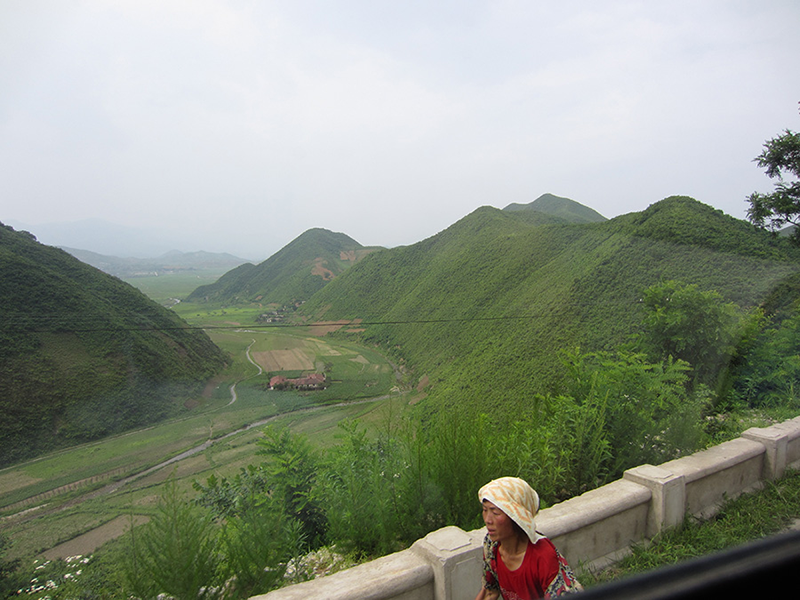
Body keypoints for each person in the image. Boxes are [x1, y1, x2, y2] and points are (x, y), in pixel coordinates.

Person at [475, 477, 582, 600]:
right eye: (484, 510)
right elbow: (489, 592)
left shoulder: (543, 556)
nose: (488, 520)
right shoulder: (492, 545)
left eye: (495, 513)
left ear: (516, 518)